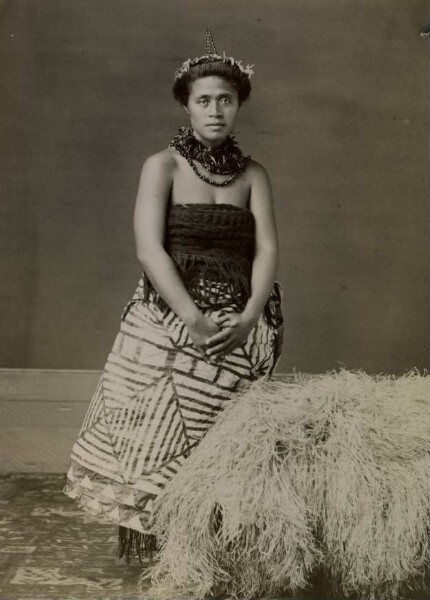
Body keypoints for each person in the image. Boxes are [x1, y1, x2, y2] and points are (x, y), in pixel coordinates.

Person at [63, 29, 284, 564]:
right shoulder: (161, 166)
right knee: (153, 436)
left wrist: (252, 317)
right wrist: (192, 319)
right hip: (170, 317)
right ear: (187, 105)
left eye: (225, 101)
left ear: (238, 107)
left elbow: (269, 250)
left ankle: (210, 550)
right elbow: (148, 250)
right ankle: (161, 550)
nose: (215, 111)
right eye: (204, 100)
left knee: (226, 446)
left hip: (240, 323)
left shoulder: (254, 175)